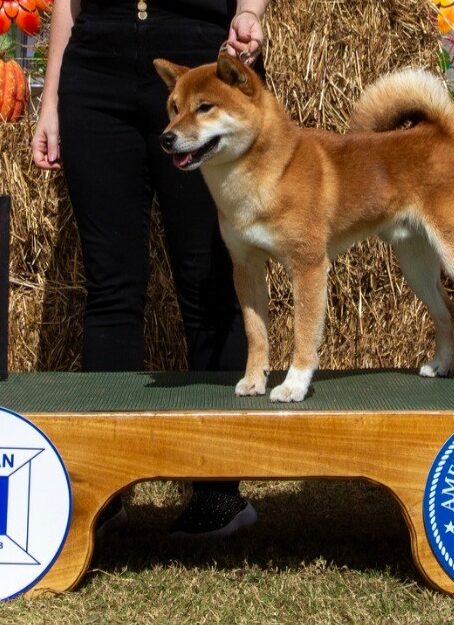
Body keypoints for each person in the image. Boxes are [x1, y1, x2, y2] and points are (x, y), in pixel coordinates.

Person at [32, 0, 271, 537]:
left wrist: (251, 14)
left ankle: (218, 493)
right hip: (95, 74)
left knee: (207, 284)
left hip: (199, 64)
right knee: (110, 289)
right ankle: (105, 491)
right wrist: (51, 101)